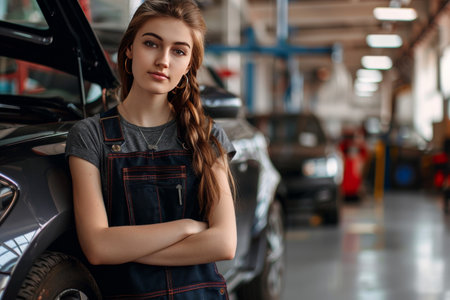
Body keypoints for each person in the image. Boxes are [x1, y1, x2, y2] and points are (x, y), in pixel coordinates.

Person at [65, 0, 237, 298]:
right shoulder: (89, 136)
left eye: (179, 51)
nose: (163, 60)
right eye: (151, 44)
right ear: (130, 48)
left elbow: (223, 243)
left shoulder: (208, 137)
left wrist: (124, 250)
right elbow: (97, 247)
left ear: (188, 66)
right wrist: (185, 228)